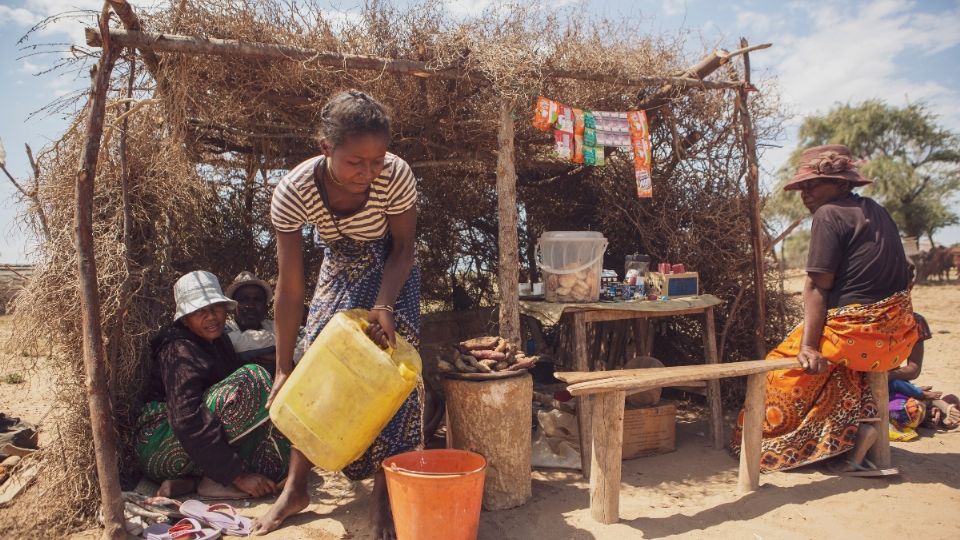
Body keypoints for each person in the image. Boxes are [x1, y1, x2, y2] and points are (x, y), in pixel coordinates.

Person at [253, 90, 421, 538]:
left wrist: (384, 305)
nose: (368, 173)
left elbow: (404, 248)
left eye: (377, 161)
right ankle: (296, 487)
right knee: (317, 365)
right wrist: (285, 367)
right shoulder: (293, 192)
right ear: (326, 148)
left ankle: (384, 494)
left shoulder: (396, 176)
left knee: (395, 370)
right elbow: (290, 290)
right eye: (355, 163)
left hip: (390, 268)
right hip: (341, 265)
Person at [731, 144, 920, 475]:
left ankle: (763, 448)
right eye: (803, 186)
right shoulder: (878, 211)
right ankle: (850, 437)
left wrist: (808, 346)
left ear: (842, 183)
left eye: (814, 184)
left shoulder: (828, 214)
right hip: (895, 335)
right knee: (838, 370)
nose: (806, 193)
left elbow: (817, 286)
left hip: (855, 333)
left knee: (777, 371)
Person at [135, 270, 290, 498]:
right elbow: (185, 419)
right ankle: (219, 479)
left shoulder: (220, 342)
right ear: (185, 319)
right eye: (199, 311)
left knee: (276, 464)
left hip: (192, 444)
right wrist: (238, 476)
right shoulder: (179, 350)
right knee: (252, 378)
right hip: (159, 444)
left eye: (215, 308)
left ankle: (193, 482)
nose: (211, 317)